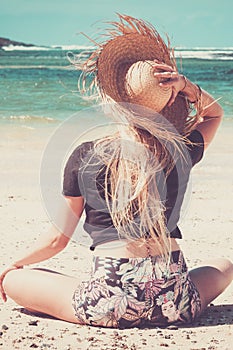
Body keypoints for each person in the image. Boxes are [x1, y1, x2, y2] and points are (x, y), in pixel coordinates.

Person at [0, 14, 232, 329]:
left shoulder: (86, 155)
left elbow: (57, 241)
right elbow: (214, 114)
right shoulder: (180, 149)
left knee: (15, 279)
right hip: (176, 301)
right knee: (225, 266)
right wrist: (187, 86)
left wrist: (16, 264)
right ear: (168, 103)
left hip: (111, 303)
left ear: (114, 100)